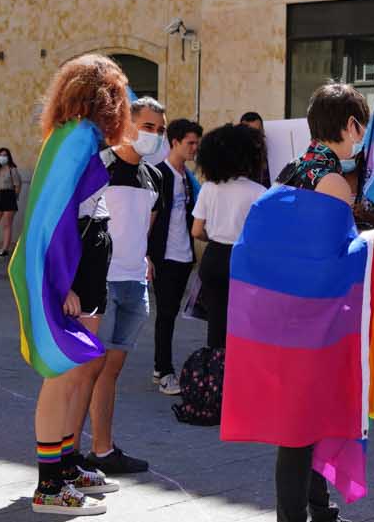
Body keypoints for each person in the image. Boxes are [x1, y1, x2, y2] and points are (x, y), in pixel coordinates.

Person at [254, 82, 374, 522]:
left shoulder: (290, 172)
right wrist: (369, 239)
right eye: (361, 127)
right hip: (311, 320)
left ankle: (321, 519)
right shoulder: (330, 181)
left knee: (305, 425)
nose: (362, 137)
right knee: (299, 431)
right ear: (349, 126)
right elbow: (334, 258)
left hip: (283, 315)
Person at [16, 54, 134, 516]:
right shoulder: (77, 138)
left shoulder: (75, 137)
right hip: (66, 270)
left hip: (79, 266)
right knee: (61, 376)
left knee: (76, 370)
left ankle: (64, 464)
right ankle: (50, 484)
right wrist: (59, 283)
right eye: (119, 92)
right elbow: (53, 219)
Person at [69, 96, 165, 474]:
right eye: (147, 127)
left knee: (110, 372)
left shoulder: (154, 176)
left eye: (159, 129)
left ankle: (103, 451)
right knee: (85, 374)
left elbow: (144, 226)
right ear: (126, 125)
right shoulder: (98, 168)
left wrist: (143, 259)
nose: (154, 136)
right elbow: (77, 228)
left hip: (134, 285)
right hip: (100, 286)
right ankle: (68, 456)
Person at [192, 123, 267, 350]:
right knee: (244, 323)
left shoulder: (209, 188)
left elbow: (196, 231)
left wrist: (214, 234)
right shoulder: (259, 192)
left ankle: (216, 376)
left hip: (214, 256)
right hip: (244, 260)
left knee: (215, 323)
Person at [149, 117, 202, 395]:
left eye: (196, 143)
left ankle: (162, 367)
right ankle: (163, 370)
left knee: (170, 314)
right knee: (166, 314)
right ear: (175, 142)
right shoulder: (158, 175)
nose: (194, 148)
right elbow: (149, 218)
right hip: (164, 257)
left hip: (184, 257)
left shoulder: (188, 179)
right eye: (190, 143)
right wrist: (146, 256)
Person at [0, 148, 21, 257]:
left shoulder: (12, 169)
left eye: (5, 155)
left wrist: (14, 197)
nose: (2, 157)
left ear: (9, 156)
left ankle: (5, 249)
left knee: (7, 225)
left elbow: (18, 185)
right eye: (0, 155)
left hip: (9, 195)